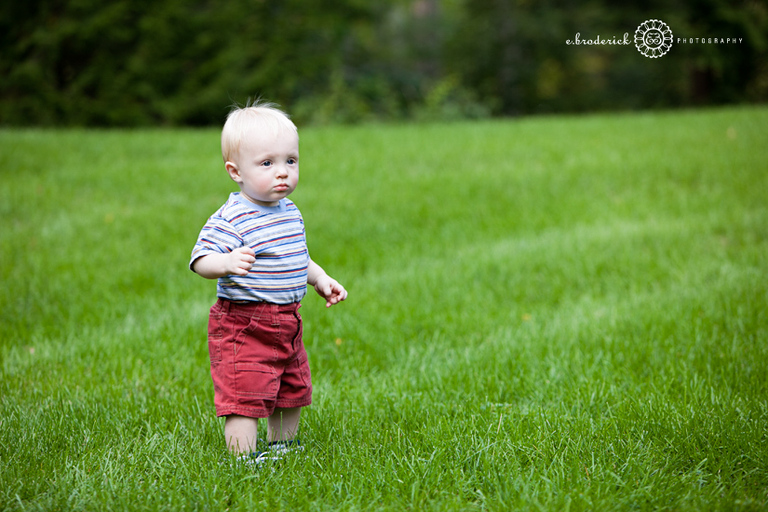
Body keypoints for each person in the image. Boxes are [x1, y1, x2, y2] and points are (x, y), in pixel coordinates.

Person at [190, 101, 347, 463]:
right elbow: (200, 260)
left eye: (290, 161)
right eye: (267, 163)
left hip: (287, 320)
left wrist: (320, 278)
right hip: (244, 322)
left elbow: (296, 258)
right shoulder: (232, 216)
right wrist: (226, 262)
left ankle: (282, 447)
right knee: (245, 392)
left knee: (291, 387)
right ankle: (243, 458)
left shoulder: (289, 212)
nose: (282, 172)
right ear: (235, 171)